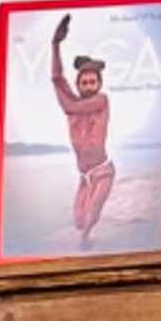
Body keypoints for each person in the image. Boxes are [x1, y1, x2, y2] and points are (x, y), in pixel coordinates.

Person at [50, 17, 119, 239]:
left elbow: (69, 106)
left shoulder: (101, 101)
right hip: (84, 174)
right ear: (78, 85)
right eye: (84, 82)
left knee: (91, 215)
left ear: (99, 85)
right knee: (78, 221)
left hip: (103, 170)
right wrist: (55, 45)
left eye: (93, 82)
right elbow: (57, 78)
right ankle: (85, 232)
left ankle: (86, 237)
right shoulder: (73, 102)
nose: (89, 86)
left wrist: (65, 100)